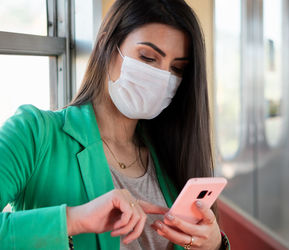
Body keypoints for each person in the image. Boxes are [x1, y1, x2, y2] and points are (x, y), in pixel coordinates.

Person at [0, 0, 230, 249]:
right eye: (148, 57)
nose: (163, 78)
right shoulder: (33, 133)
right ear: (106, 48)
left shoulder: (172, 154)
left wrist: (215, 244)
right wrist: (75, 220)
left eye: (176, 68)